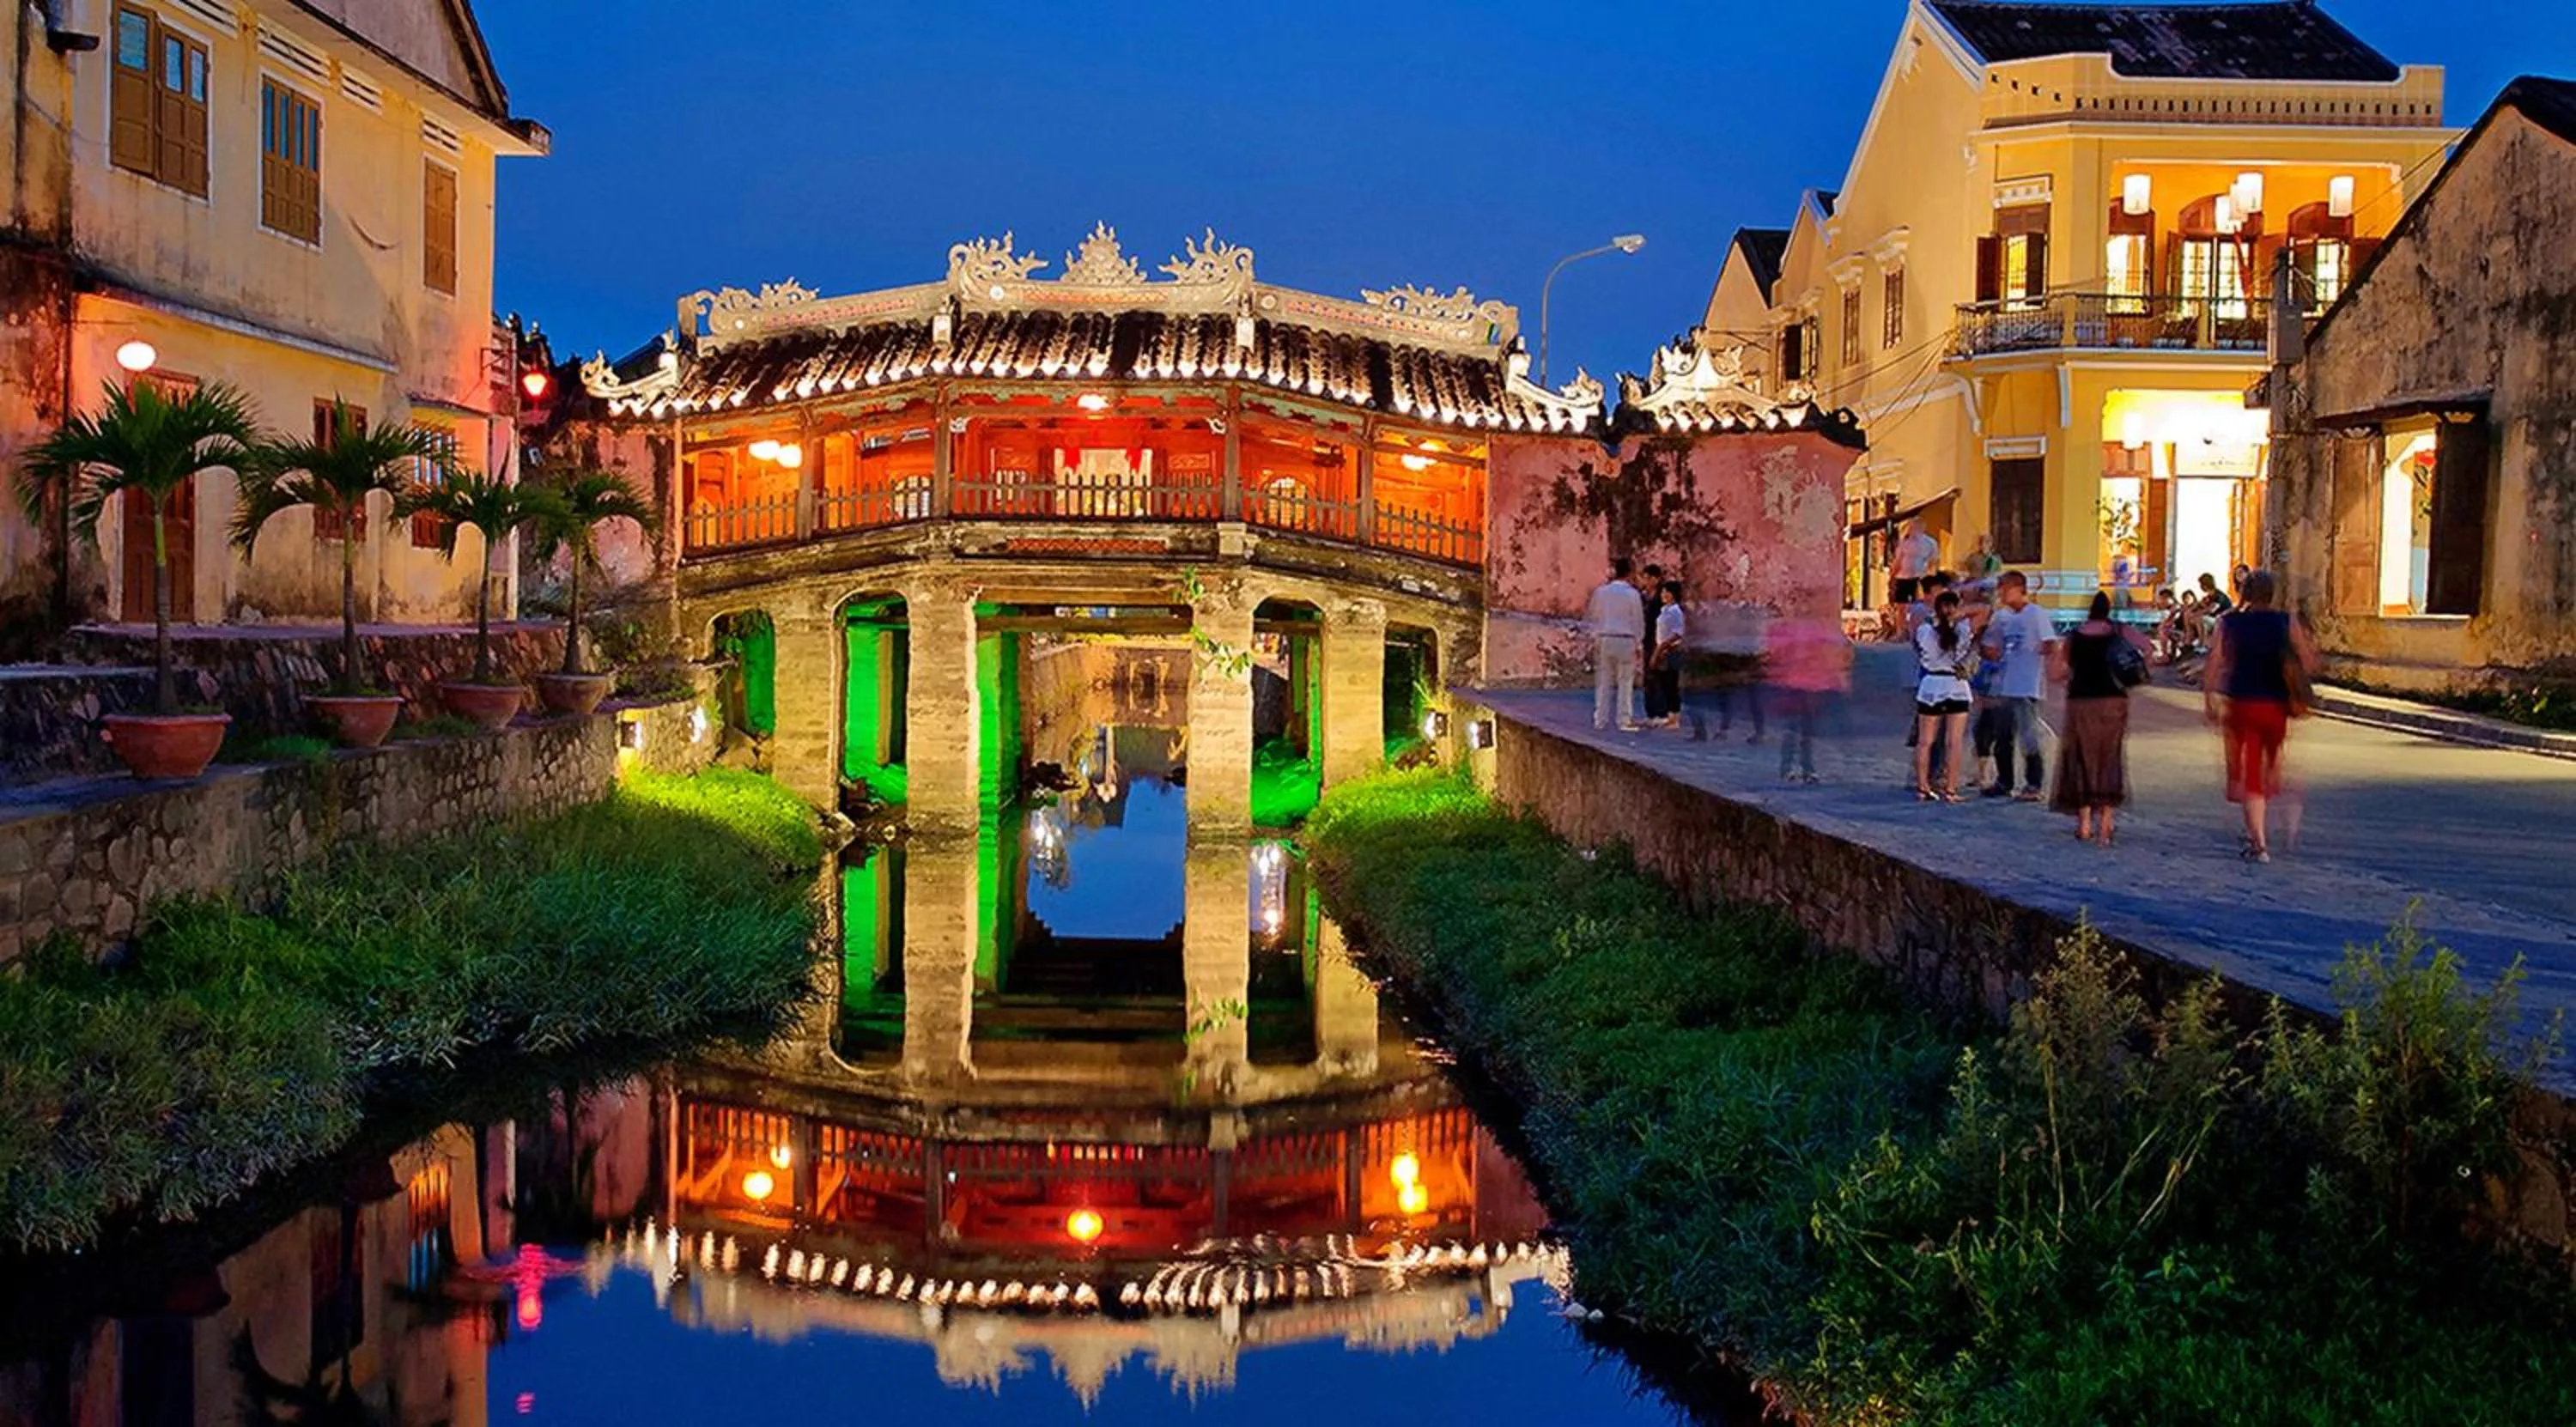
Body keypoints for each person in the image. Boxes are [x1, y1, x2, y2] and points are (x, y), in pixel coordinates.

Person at [2203, 569, 2317, 863]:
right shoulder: (2286, 622)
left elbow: (2214, 663)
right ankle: (2267, 819)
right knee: (2268, 766)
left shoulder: (2229, 623)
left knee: (2249, 773)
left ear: (2245, 594)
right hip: (2276, 705)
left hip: (2242, 703)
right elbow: (2307, 660)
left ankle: (2259, 843)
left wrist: (2209, 700)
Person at [2052, 590, 2138, 845]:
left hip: (2081, 700)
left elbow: (2057, 671)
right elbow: (2146, 649)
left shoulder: (2075, 636)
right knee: (2108, 757)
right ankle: (2106, 825)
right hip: (2114, 700)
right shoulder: (2120, 632)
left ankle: (2085, 824)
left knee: (2081, 757)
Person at [1979, 571, 2060, 801]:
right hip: (2003, 683)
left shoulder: (2036, 614)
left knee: (2028, 735)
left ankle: (2034, 783)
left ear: (2019, 589)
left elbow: (2050, 644)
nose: (2002, 593)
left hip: (2026, 683)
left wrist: (2032, 651)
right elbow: (1990, 646)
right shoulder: (2001, 617)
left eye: (2006, 588)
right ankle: (2004, 781)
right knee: (2002, 735)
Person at [1765, 604, 1850, 783]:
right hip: (1800, 686)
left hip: (1804, 685)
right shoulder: (1807, 629)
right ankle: (1801, 768)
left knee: (1799, 730)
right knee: (1800, 730)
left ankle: (1797, 768)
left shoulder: (1806, 628)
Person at [1912, 590, 1975, 801]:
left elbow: (1918, 647)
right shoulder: (1963, 630)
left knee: (1925, 742)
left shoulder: (1924, 631)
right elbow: (1984, 611)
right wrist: (1960, 614)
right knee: (1954, 743)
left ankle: (1923, 787)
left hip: (1931, 685)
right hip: (1956, 685)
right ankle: (1951, 789)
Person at [1587, 556, 1647, 732]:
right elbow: (1638, 620)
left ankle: (1600, 719)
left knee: (1603, 681)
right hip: (1626, 639)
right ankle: (1624, 719)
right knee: (1625, 681)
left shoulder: (1601, 592)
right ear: (1630, 573)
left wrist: (1595, 636)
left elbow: (1593, 616)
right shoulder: (1633, 594)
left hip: (1605, 637)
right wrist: (1639, 642)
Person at [1647, 579, 1686, 730]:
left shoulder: (1675, 612)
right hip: (1662, 649)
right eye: (1662, 592)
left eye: (1667, 592)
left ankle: (1675, 718)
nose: (1663, 595)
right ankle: (1669, 715)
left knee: (1671, 684)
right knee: (1664, 683)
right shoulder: (1665, 610)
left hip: (1669, 650)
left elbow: (1677, 633)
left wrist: (1660, 649)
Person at [1639, 564, 1671, 724]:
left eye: (1647, 578)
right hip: (1648, 639)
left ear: (1656, 579)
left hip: (1659, 639)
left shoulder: (1663, 598)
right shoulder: (1643, 596)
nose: (1645, 581)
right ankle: (1651, 713)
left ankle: (1662, 713)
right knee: (1649, 676)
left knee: (1658, 675)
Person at [1890, 516, 1939, 607]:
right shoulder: (1904, 542)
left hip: (1919, 577)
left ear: (1923, 527)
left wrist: (1928, 575)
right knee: (1901, 605)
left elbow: (1933, 561)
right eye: (1912, 527)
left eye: (1916, 527)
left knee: (1917, 603)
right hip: (1903, 577)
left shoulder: (1930, 543)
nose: (1913, 530)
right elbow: (1898, 561)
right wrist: (1893, 575)